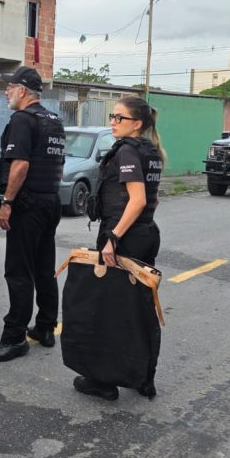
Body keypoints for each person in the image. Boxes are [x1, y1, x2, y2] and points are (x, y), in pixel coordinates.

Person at [73, 95, 165, 402]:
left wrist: (113, 237)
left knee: (109, 311)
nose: (113, 122)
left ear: (136, 124)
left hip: (124, 237)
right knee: (140, 309)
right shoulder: (150, 150)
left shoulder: (127, 150)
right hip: (145, 233)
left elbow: (138, 200)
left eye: (119, 117)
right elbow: (153, 199)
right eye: (112, 116)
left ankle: (104, 381)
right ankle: (143, 378)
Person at [0, 66, 65, 363]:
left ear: (22, 91)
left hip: (28, 204)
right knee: (44, 268)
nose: (6, 92)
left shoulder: (22, 119)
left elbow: (20, 165)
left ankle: (14, 337)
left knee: (18, 271)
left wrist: (7, 202)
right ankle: (45, 327)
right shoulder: (53, 120)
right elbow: (56, 163)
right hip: (50, 201)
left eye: (9, 88)